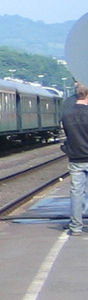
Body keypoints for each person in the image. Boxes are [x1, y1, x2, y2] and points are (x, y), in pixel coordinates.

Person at [62, 83, 88, 235]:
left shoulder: (66, 114)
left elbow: (68, 137)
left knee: (76, 193)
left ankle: (76, 226)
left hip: (76, 158)